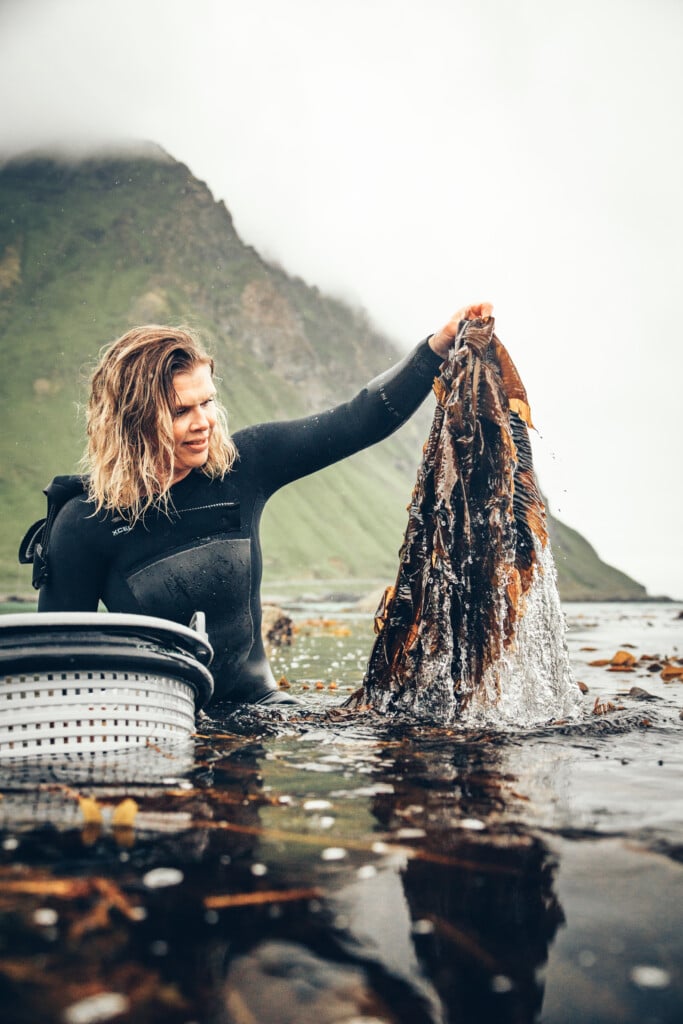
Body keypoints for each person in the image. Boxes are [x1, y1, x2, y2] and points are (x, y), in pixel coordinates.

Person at [37, 303, 493, 705]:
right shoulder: (83, 525)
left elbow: (358, 420)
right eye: (182, 411)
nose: (204, 423)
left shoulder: (243, 467)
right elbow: (54, 669)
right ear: (134, 419)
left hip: (264, 712)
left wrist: (434, 348)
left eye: (208, 402)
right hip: (161, 725)